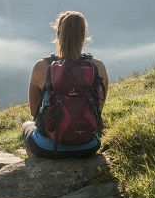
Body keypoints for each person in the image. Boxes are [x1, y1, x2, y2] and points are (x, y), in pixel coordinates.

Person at [21, 11, 110, 158]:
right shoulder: (98, 66)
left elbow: (34, 113)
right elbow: (98, 109)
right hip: (89, 145)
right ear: (83, 36)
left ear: (58, 35)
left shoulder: (41, 67)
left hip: (50, 148)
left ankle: (36, 170)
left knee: (26, 125)